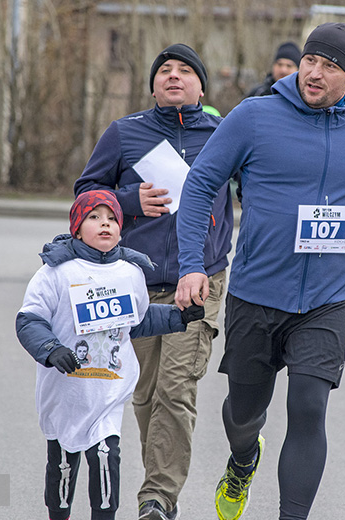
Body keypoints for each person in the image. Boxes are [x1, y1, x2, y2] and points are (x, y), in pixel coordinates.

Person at [175, 22, 345, 520]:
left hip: (327, 301)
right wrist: (192, 265)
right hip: (255, 294)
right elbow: (200, 185)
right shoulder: (255, 117)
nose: (315, 72)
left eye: (330, 66)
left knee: (309, 407)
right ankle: (243, 459)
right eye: (311, 60)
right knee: (243, 416)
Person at [73, 43, 234, 520]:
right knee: (142, 393)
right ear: (152, 85)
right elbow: (86, 195)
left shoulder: (224, 135)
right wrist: (127, 201)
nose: (174, 76)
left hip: (201, 279)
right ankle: (157, 490)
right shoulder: (125, 133)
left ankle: (157, 498)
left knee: (175, 388)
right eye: (165, 70)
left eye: (186, 70)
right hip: (137, 281)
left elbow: (263, 185)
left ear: (202, 87)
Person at [16, 190, 205, 520]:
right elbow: (29, 320)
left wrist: (176, 317)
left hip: (108, 389)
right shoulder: (56, 272)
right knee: (63, 464)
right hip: (65, 391)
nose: (105, 224)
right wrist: (51, 350)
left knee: (106, 457)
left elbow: (136, 321)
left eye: (112, 219)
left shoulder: (129, 272)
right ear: (76, 228)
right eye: (94, 217)